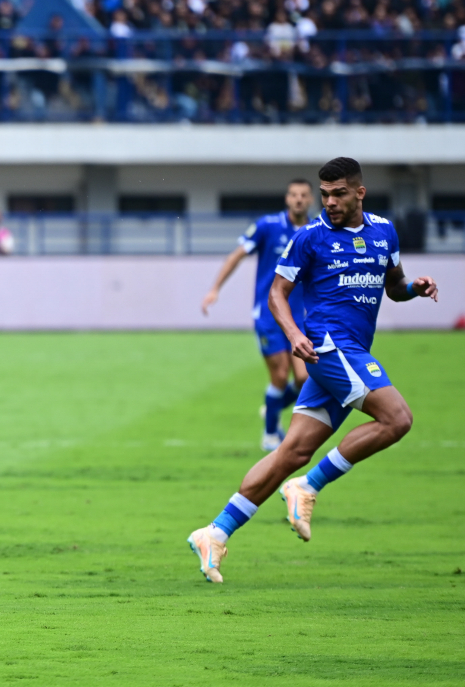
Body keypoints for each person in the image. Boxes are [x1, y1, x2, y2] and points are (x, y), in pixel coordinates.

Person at [187, 157, 439, 584]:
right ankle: (307, 487)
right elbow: (277, 294)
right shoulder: (310, 238)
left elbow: (393, 286)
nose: (329, 202)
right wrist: (293, 334)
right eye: (324, 195)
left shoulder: (384, 232)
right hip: (328, 346)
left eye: (338, 193)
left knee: (292, 453)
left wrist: (413, 288)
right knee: (397, 419)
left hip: (352, 349)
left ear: (359, 192)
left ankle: (214, 532)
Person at [201, 180, 313, 451]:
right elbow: (237, 255)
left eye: (303, 195)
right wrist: (215, 289)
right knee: (279, 375)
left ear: (311, 200)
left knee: (304, 380)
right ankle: (271, 433)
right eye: (294, 195)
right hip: (269, 314)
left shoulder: (315, 231)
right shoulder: (268, 226)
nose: (298, 199)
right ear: (287, 198)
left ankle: (271, 408)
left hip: (301, 316)